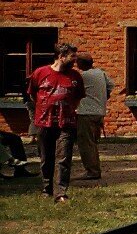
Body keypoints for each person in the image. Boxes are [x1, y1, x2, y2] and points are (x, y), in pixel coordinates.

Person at [26, 43, 84, 202]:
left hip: (67, 123)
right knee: (46, 158)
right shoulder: (40, 73)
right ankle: (47, 189)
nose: (75, 60)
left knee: (63, 157)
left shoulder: (75, 77)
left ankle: (61, 193)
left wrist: (70, 109)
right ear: (61, 56)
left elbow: (79, 96)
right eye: (72, 57)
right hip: (44, 122)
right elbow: (32, 95)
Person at [74, 51, 113, 180]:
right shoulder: (100, 73)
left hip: (86, 112)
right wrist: (103, 97)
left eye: (77, 62)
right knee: (93, 142)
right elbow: (110, 85)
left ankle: (91, 171)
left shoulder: (83, 76)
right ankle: (94, 169)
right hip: (99, 112)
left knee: (86, 142)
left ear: (81, 63)